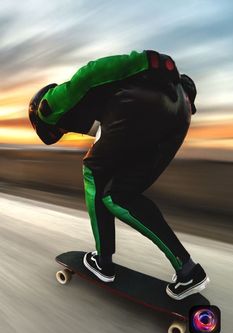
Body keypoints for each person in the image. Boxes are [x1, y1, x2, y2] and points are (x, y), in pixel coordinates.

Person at [29, 49, 210, 300]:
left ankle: (103, 263)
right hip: (180, 115)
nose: (62, 130)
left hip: (141, 103)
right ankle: (189, 271)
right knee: (123, 195)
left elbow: (89, 73)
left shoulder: (51, 103)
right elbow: (116, 132)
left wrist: (46, 109)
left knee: (93, 173)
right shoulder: (102, 103)